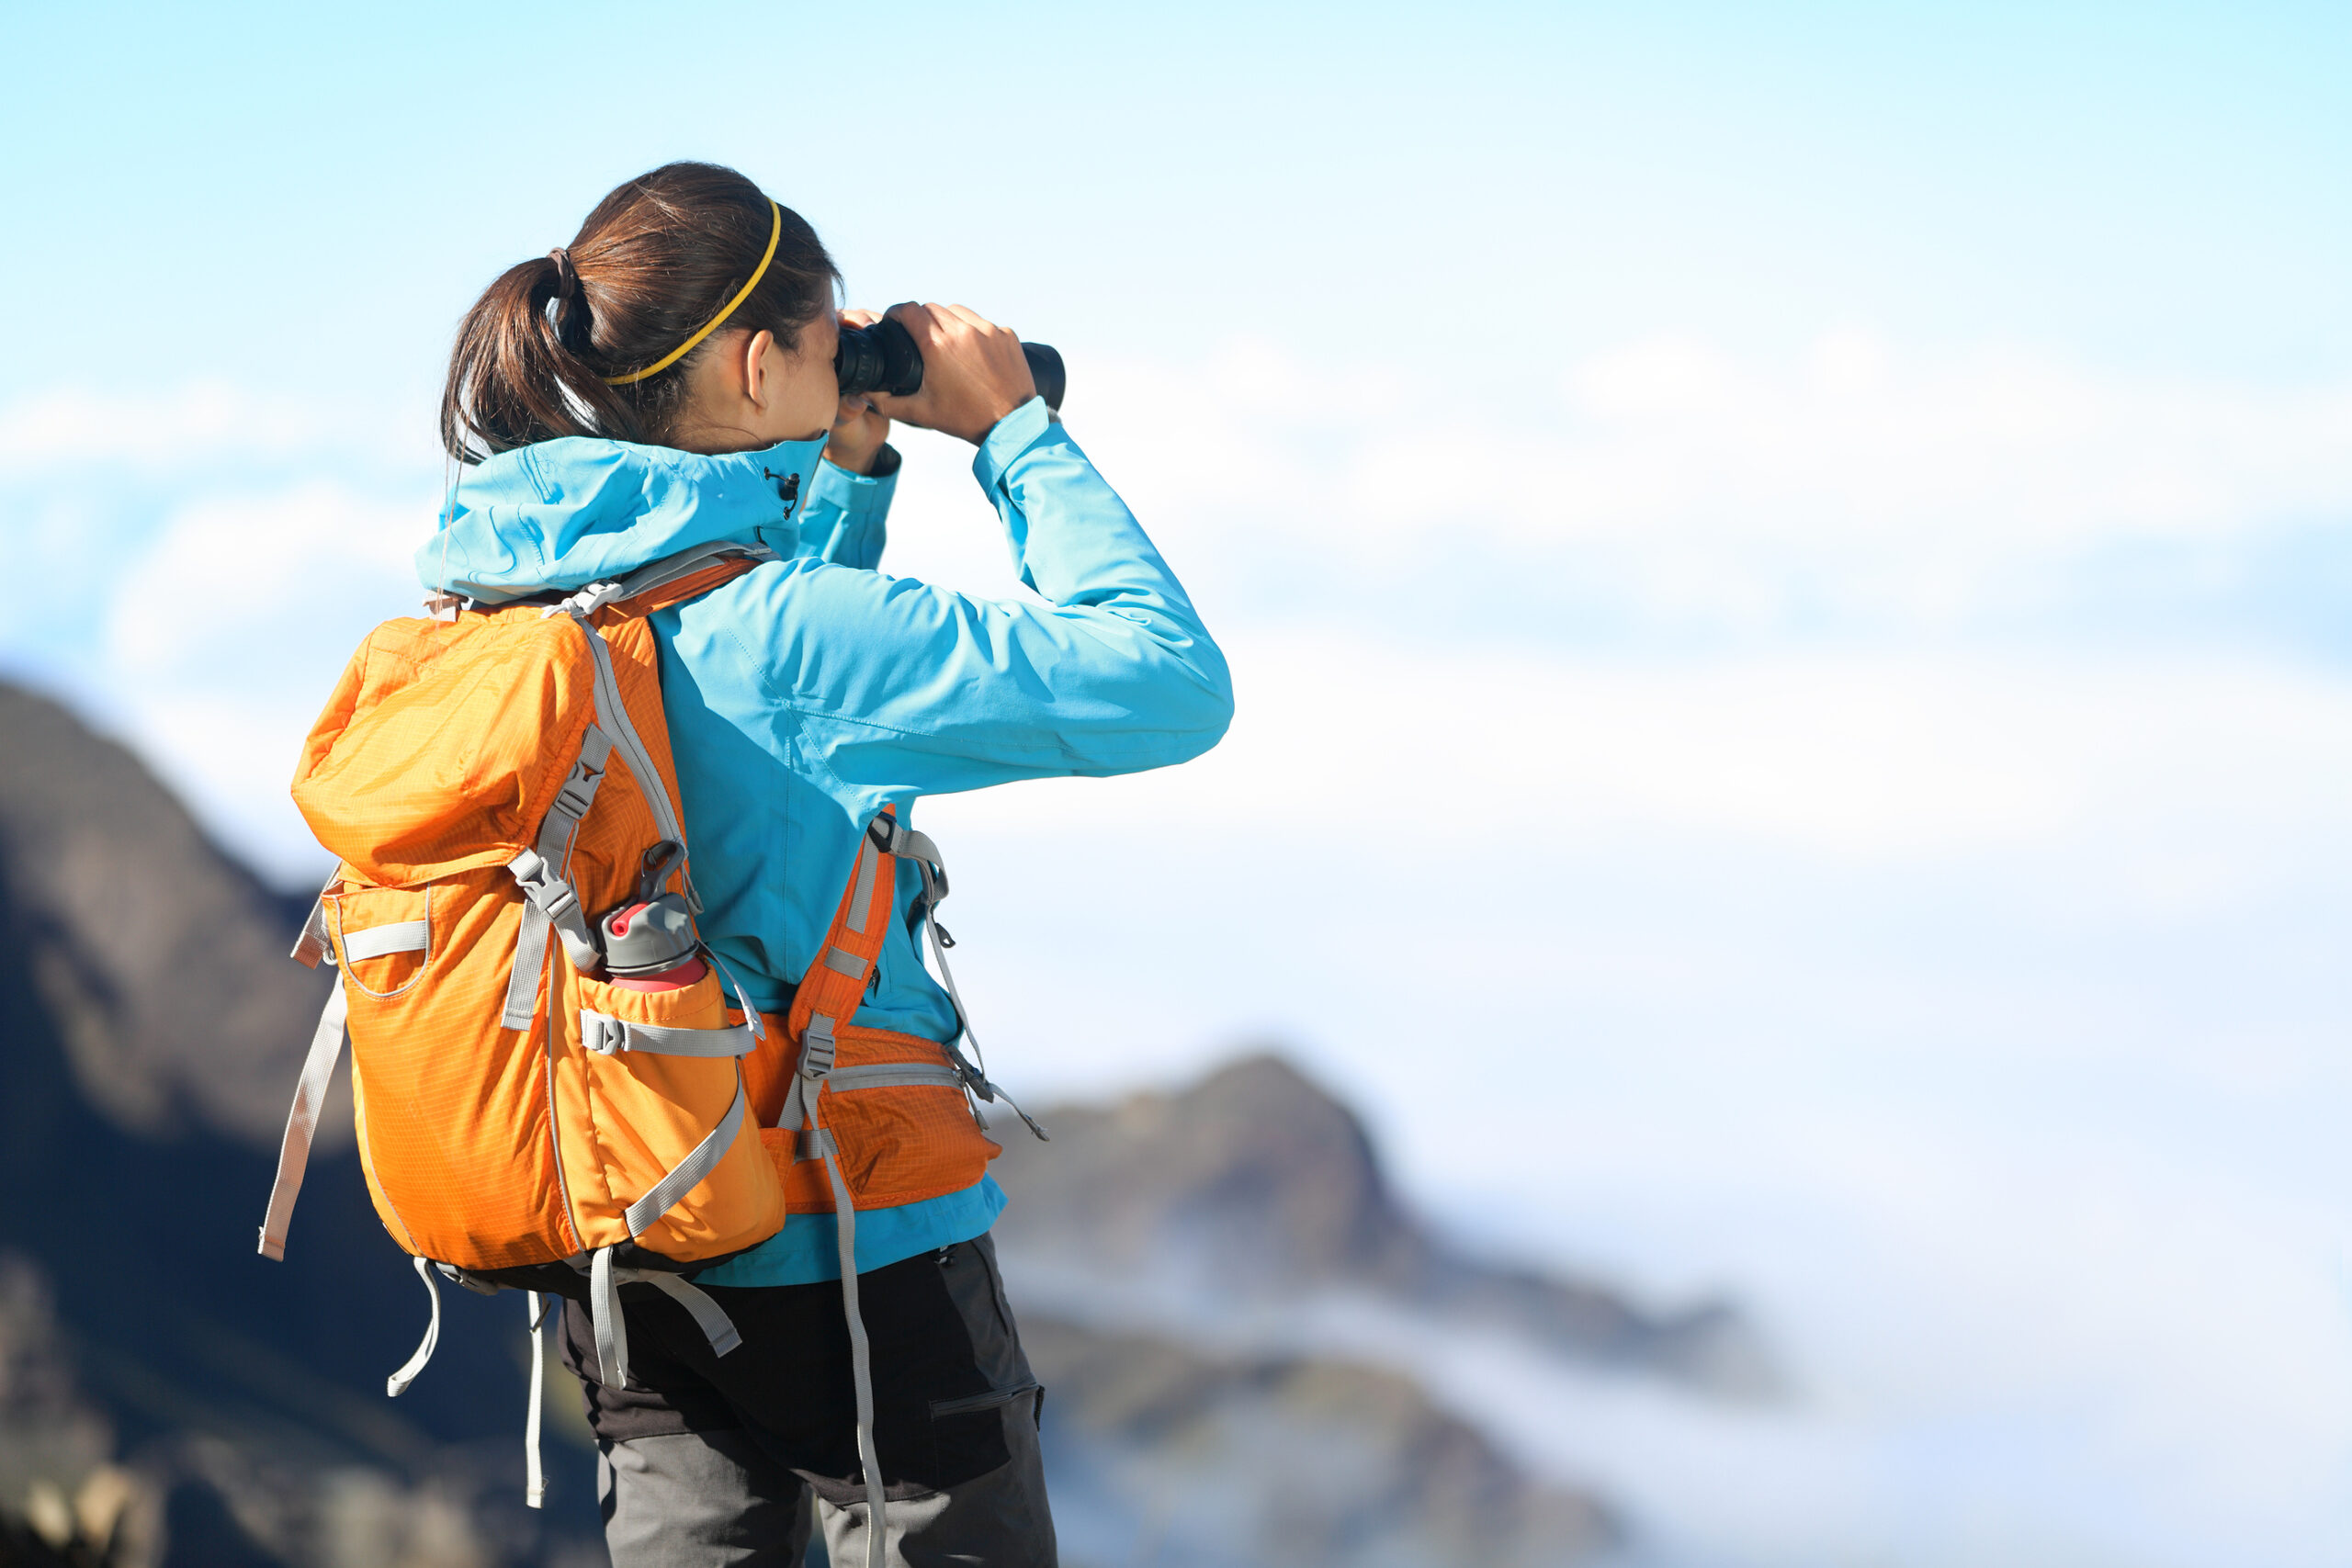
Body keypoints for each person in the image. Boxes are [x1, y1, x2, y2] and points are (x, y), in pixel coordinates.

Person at [424, 162, 1232, 1567]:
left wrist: (848, 471)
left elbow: (762, 735)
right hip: (863, 1264)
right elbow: (1165, 682)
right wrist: (1014, 435)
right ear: (752, 364)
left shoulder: (509, 601)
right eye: (823, 337)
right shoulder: (782, 642)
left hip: (634, 1240)